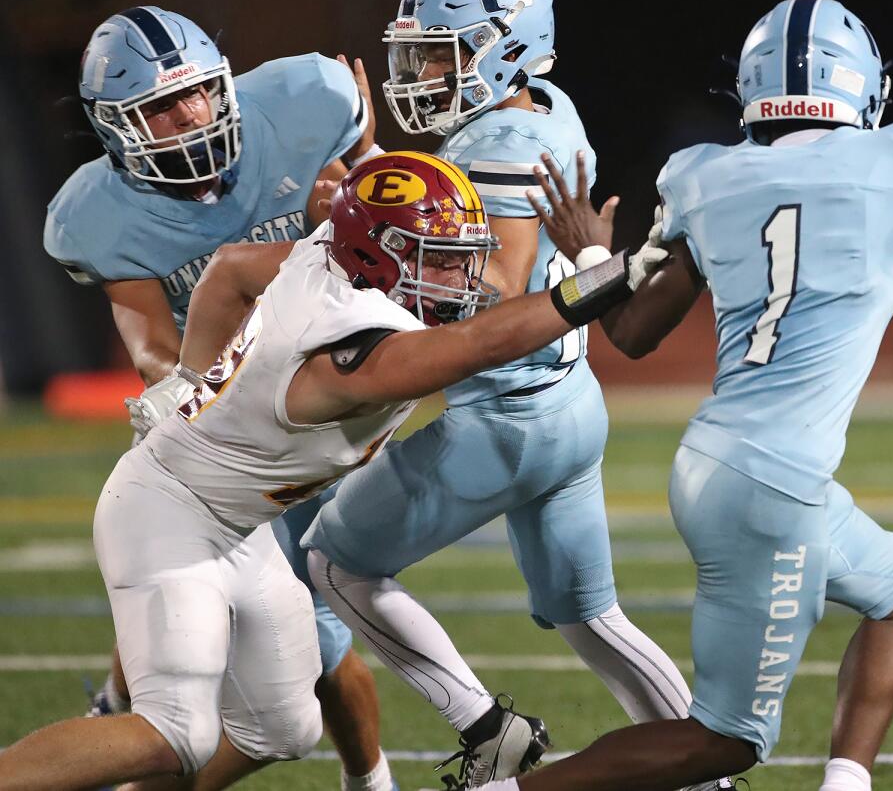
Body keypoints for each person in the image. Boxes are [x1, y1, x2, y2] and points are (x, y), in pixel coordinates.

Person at [454, 0, 893, 791]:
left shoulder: (705, 174)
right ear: (858, 84)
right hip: (775, 482)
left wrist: (597, 260)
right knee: (723, 742)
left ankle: (846, 783)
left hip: (722, 464)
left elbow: (629, 335)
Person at [0, 150, 649, 791]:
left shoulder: (325, 254)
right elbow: (481, 342)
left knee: (282, 730)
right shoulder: (353, 349)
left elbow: (228, 272)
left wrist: (190, 383)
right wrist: (602, 278)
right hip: (170, 514)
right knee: (177, 733)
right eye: (440, 258)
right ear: (379, 255)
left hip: (240, 527)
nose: (463, 277)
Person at [291, 0, 723, 789]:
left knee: (335, 562)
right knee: (590, 616)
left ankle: (487, 730)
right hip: (569, 405)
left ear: (507, 50)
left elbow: (487, 287)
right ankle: (710, 775)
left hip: (506, 418)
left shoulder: (497, 141)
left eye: (444, 54)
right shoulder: (549, 108)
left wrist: (368, 216)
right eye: (417, 53)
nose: (422, 73)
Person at [42, 4, 397, 791]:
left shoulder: (309, 101)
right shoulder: (96, 214)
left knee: (283, 641)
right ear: (116, 127)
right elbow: (152, 351)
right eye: (162, 107)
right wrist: (217, 395)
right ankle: (372, 780)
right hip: (217, 418)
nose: (191, 115)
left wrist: (364, 160)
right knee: (299, 635)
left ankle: (117, 708)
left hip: (319, 399)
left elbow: (383, 224)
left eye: (199, 91)